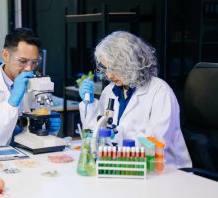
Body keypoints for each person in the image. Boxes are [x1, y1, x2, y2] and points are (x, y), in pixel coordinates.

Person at [79, 31, 192, 168]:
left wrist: (118, 134)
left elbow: (157, 143)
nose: (108, 75)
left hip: (163, 170)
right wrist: (89, 105)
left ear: (132, 64)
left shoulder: (160, 92)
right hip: (122, 166)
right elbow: (95, 134)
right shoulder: (109, 91)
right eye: (105, 68)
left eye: (114, 68)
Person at [0, 28, 61, 146]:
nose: (29, 68)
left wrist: (49, 126)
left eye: (34, 62)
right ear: (5, 55)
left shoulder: (34, 84)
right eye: (23, 61)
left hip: (28, 151)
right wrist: (12, 102)